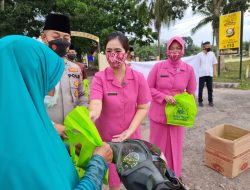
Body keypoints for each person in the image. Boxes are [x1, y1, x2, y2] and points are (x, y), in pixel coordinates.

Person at [0, 35, 113, 190]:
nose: (50, 91)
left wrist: (66, 148)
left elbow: (40, 149)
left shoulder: (23, 121)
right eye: (44, 81)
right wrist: (98, 164)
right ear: (28, 79)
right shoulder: (15, 154)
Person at [89, 31, 151, 190]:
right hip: (108, 142)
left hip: (131, 139)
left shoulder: (138, 78)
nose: (113, 55)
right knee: (114, 183)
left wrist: (130, 130)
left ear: (127, 53)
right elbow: (96, 103)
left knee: (134, 178)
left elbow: (143, 106)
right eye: (109, 51)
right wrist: (91, 115)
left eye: (118, 51)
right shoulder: (99, 78)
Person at [147, 36, 196, 178]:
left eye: (178, 48)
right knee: (157, 147)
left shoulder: (188, 69)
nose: (175, 51)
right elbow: (148, 88)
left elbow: (191, 93)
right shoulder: (158, 67)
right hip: (158, 116)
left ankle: (174, 176)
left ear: (182, 50)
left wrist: (187, 106)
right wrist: (163, 97)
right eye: (172, 48)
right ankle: (157, 176)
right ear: (167, 49)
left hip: (177, 117)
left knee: (175, 147)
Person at [40, 13, 88, 139]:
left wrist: (84, 114)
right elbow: (26, 104)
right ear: (44, 37)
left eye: (66, 38)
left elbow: (81, 95)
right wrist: (51, 126)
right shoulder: (35, 68)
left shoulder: (75, 69)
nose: (62, 41)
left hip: (72, 133)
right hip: (44, 133)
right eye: (56, 36)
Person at [197, 41, 218, 107]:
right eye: (207, 46)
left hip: (209, 74)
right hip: (201, 74)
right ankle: (200, 101)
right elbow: (197, 65)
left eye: (210, 46)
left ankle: (210, 101)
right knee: (200, 88)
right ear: (204, 47)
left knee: (210, 88)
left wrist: (215, 72)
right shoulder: (199, 55)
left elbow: (214, 63)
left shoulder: (212, 54)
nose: (209, 47)